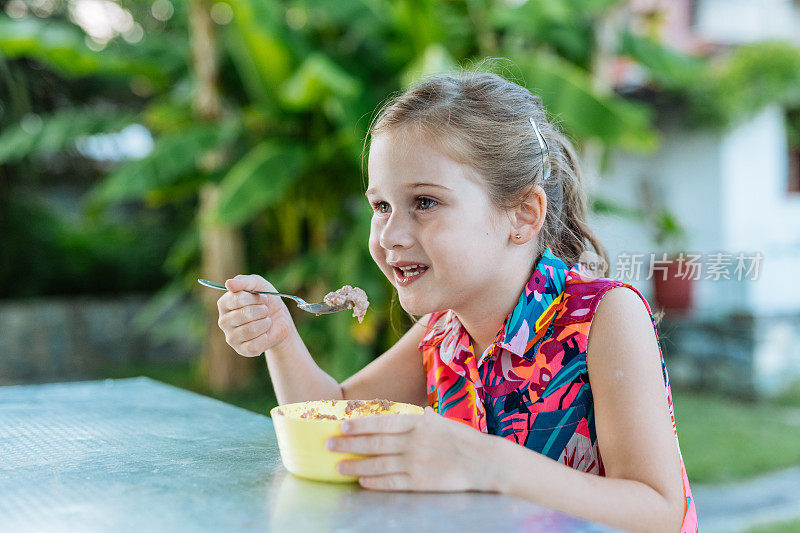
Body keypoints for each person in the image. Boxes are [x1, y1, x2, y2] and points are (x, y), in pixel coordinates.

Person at [215, 69, 699, 533]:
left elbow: (657, 509)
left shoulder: (604, 317)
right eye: (380, 206)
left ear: (523, 216)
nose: (390, 234)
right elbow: (335, 421)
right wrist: (279, 336)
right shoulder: (443, 334)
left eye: (424, 202)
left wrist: (485, 462)